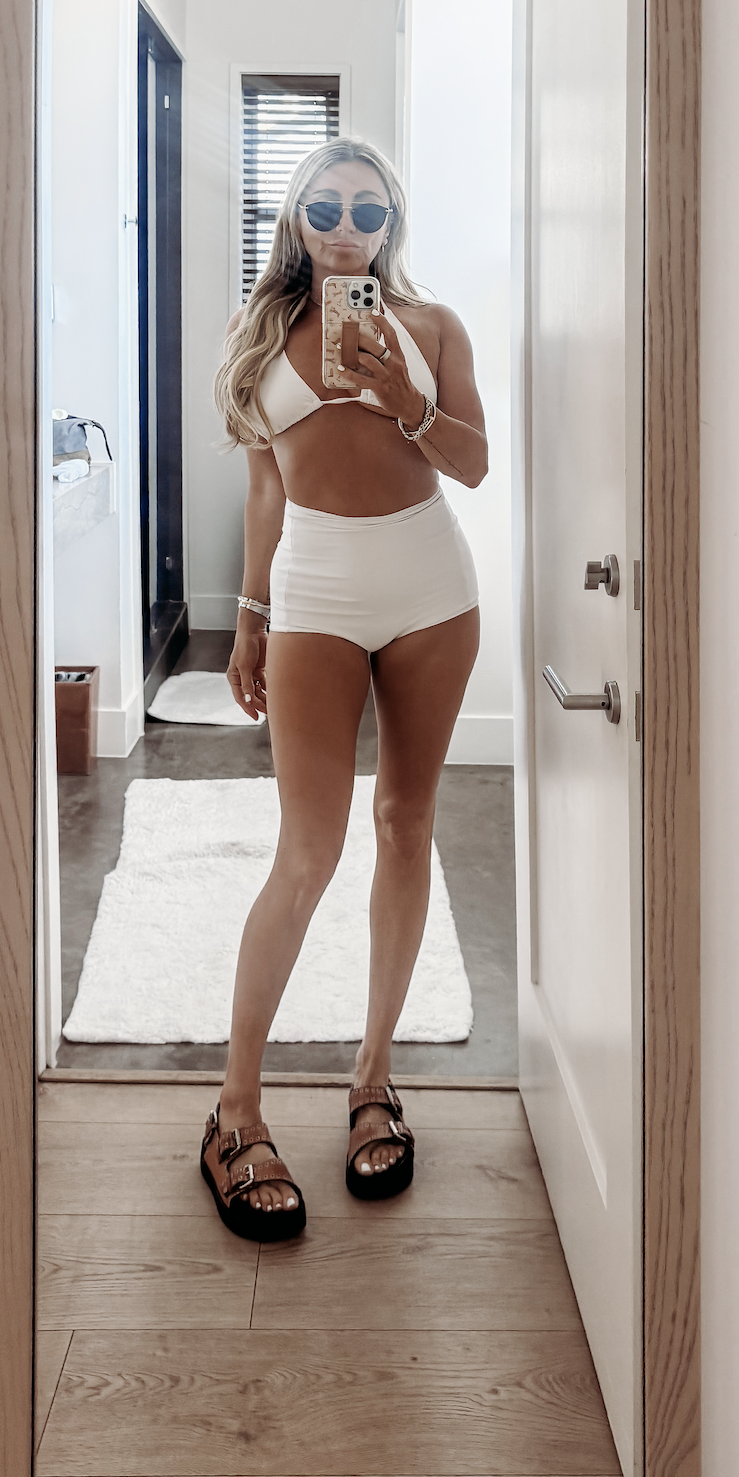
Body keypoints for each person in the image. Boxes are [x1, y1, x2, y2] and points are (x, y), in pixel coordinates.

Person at [201, 138, 487, 1242]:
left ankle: (374, 1079)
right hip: (314, 594)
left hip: (430, 591)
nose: (345, 226)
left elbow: (472, 463)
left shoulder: (432, 327)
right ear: (298, 215)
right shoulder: (256, 330)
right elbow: (265, 492)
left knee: (406, 823)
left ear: (390, 222)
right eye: (325, 206)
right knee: (307, 852)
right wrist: (251, 615)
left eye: (368, 209)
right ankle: (235, 1112)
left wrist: (402, 398)